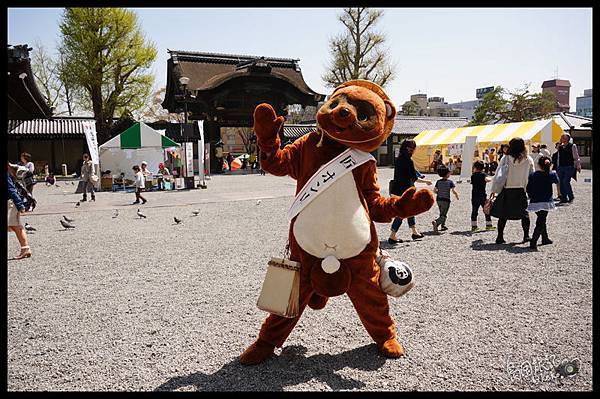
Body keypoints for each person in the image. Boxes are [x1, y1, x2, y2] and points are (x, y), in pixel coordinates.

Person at [490, 137, 534, 244]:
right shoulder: (528, 159)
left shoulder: (505, 159)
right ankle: (526, 236)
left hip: (507, 189)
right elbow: (531, 175)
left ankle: (500, 237)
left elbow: (498, 174)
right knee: (524, 214)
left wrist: (494, 189)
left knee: (503, 214)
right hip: (521, 189)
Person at [388, 139, 433, 244]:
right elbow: (414, 178)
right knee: (402, 212)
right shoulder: (409, 161)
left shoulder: (399, 159)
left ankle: (414, 232)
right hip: (405, 191)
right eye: (413, 148)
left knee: (410, 210)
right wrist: (426, 181)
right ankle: (392, 236)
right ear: (410, 149)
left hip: (396, 189)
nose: (414, 150)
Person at [526, 156, 559, 250]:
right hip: (546, 201)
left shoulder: (533, 175)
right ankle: (534, 241)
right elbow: (557, 181)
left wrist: (531, 195)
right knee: (541, 221)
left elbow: (528, 188)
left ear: (538, 165)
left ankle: (545, 238)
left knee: (541, 219)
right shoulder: (551, 174)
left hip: (535, 201)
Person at [7, 163, 32, 260]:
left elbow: (11, 190)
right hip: (10, 202)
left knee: (16, 225)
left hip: (10, 203)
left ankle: (25, 248)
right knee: (15, 225)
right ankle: (25, 248)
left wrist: (20, 204)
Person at [431, 165, 459, 233]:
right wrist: (456, 195)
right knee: (444, 215)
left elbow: (434, 191)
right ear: (447, 174)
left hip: (439, 200)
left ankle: (443, 225)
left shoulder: (438, 182)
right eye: (449, 172)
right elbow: (453, 191)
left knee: (441, 212)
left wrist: (439, 193)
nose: (450, 173)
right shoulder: (450, 182)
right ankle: (436, 222)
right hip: (446, 200)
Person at [555, 133, 581, 204]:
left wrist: (578, 166)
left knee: (566, 181)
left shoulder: (572, 146)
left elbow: (576, 157)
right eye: (561, 137)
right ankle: (564, 198)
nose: (561, 138)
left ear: (567, 139)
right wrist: (557, 166)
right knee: (560, 182)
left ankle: (571, 196)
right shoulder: (560, 147)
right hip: (561, 167)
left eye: (563, 137)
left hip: (569, 166)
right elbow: (558, 157)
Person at [470, 160, 494, 232]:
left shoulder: (473, 176)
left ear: (475, 167)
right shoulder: (483, 175)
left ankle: (474, 226)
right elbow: (488, 180)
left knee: (474, 211)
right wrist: (492, 178)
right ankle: (488, 225)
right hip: (482, 196)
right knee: (487, 210)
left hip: (474, 196)